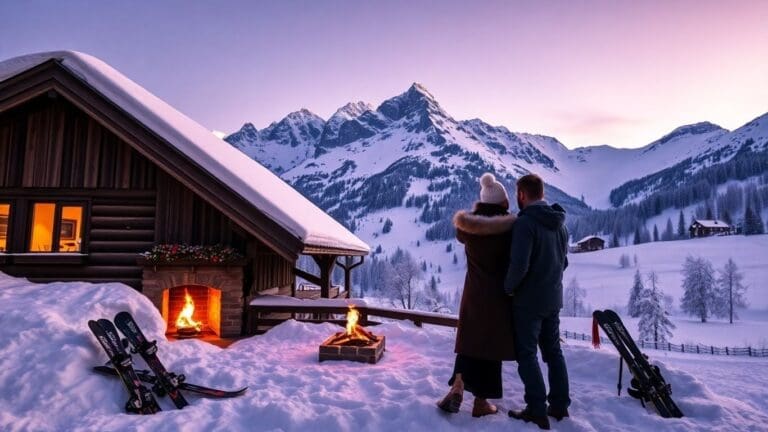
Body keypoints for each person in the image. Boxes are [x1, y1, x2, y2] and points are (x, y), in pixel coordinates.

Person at [437, 173, 517, 417]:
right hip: (499, 296)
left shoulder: (469, 229)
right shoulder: (510, 229)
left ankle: (458, 384)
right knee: (490, 346)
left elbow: (460, 234)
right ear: (503, 202)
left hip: (473, 292)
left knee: (470, 341)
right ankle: (481, 402)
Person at [504, 173, 570, 431]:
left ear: (522, 194)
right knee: (553, 352)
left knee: (527, 354)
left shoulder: (525, 224)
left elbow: (519, 265)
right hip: (553, 299)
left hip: (529, 302)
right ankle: (560, 405)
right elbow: (564, 262)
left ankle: (536, 409)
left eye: (516, 194)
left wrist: (508, 288)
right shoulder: (560, 224)